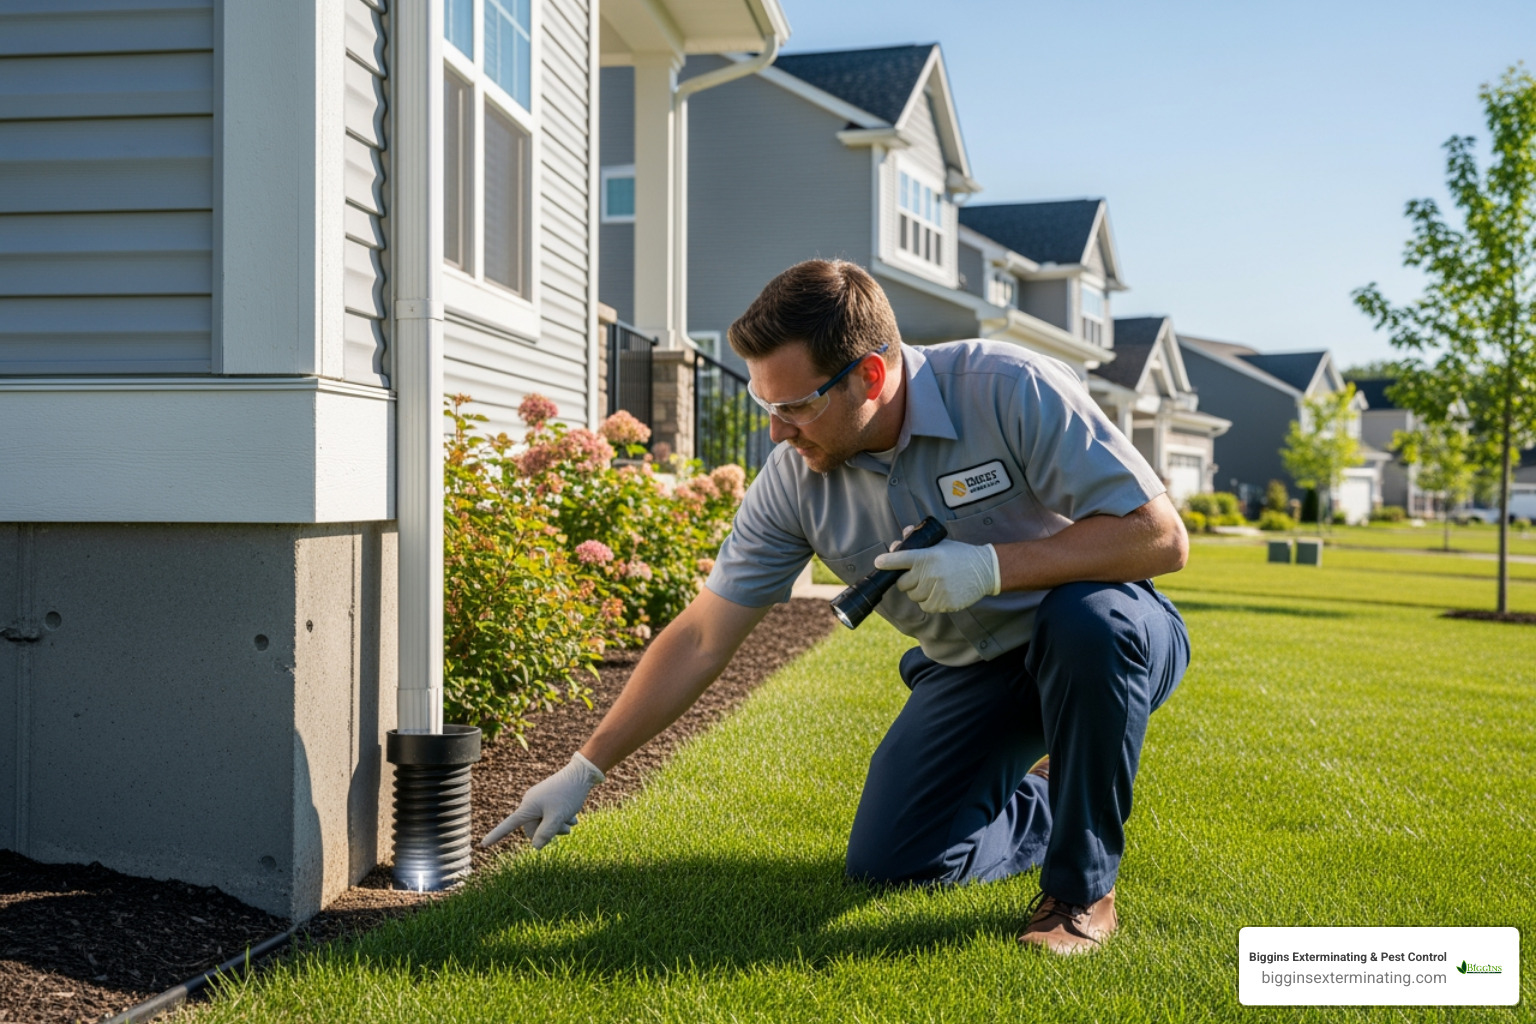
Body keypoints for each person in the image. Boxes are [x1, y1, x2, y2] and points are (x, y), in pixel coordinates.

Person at [482, 259, 1190, 955]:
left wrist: (994, 566)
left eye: (796, 407)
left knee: (1087, 624)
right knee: (894, 865)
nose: (778, 433)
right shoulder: (793, 482)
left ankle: (1079, 893)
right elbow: (703, 635)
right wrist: (587, 766)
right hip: (977, 668)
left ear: (871, 377)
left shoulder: (1008, 388)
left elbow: (1160, 536)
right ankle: (1056, 790)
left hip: (1106, 636)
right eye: (769, 407)